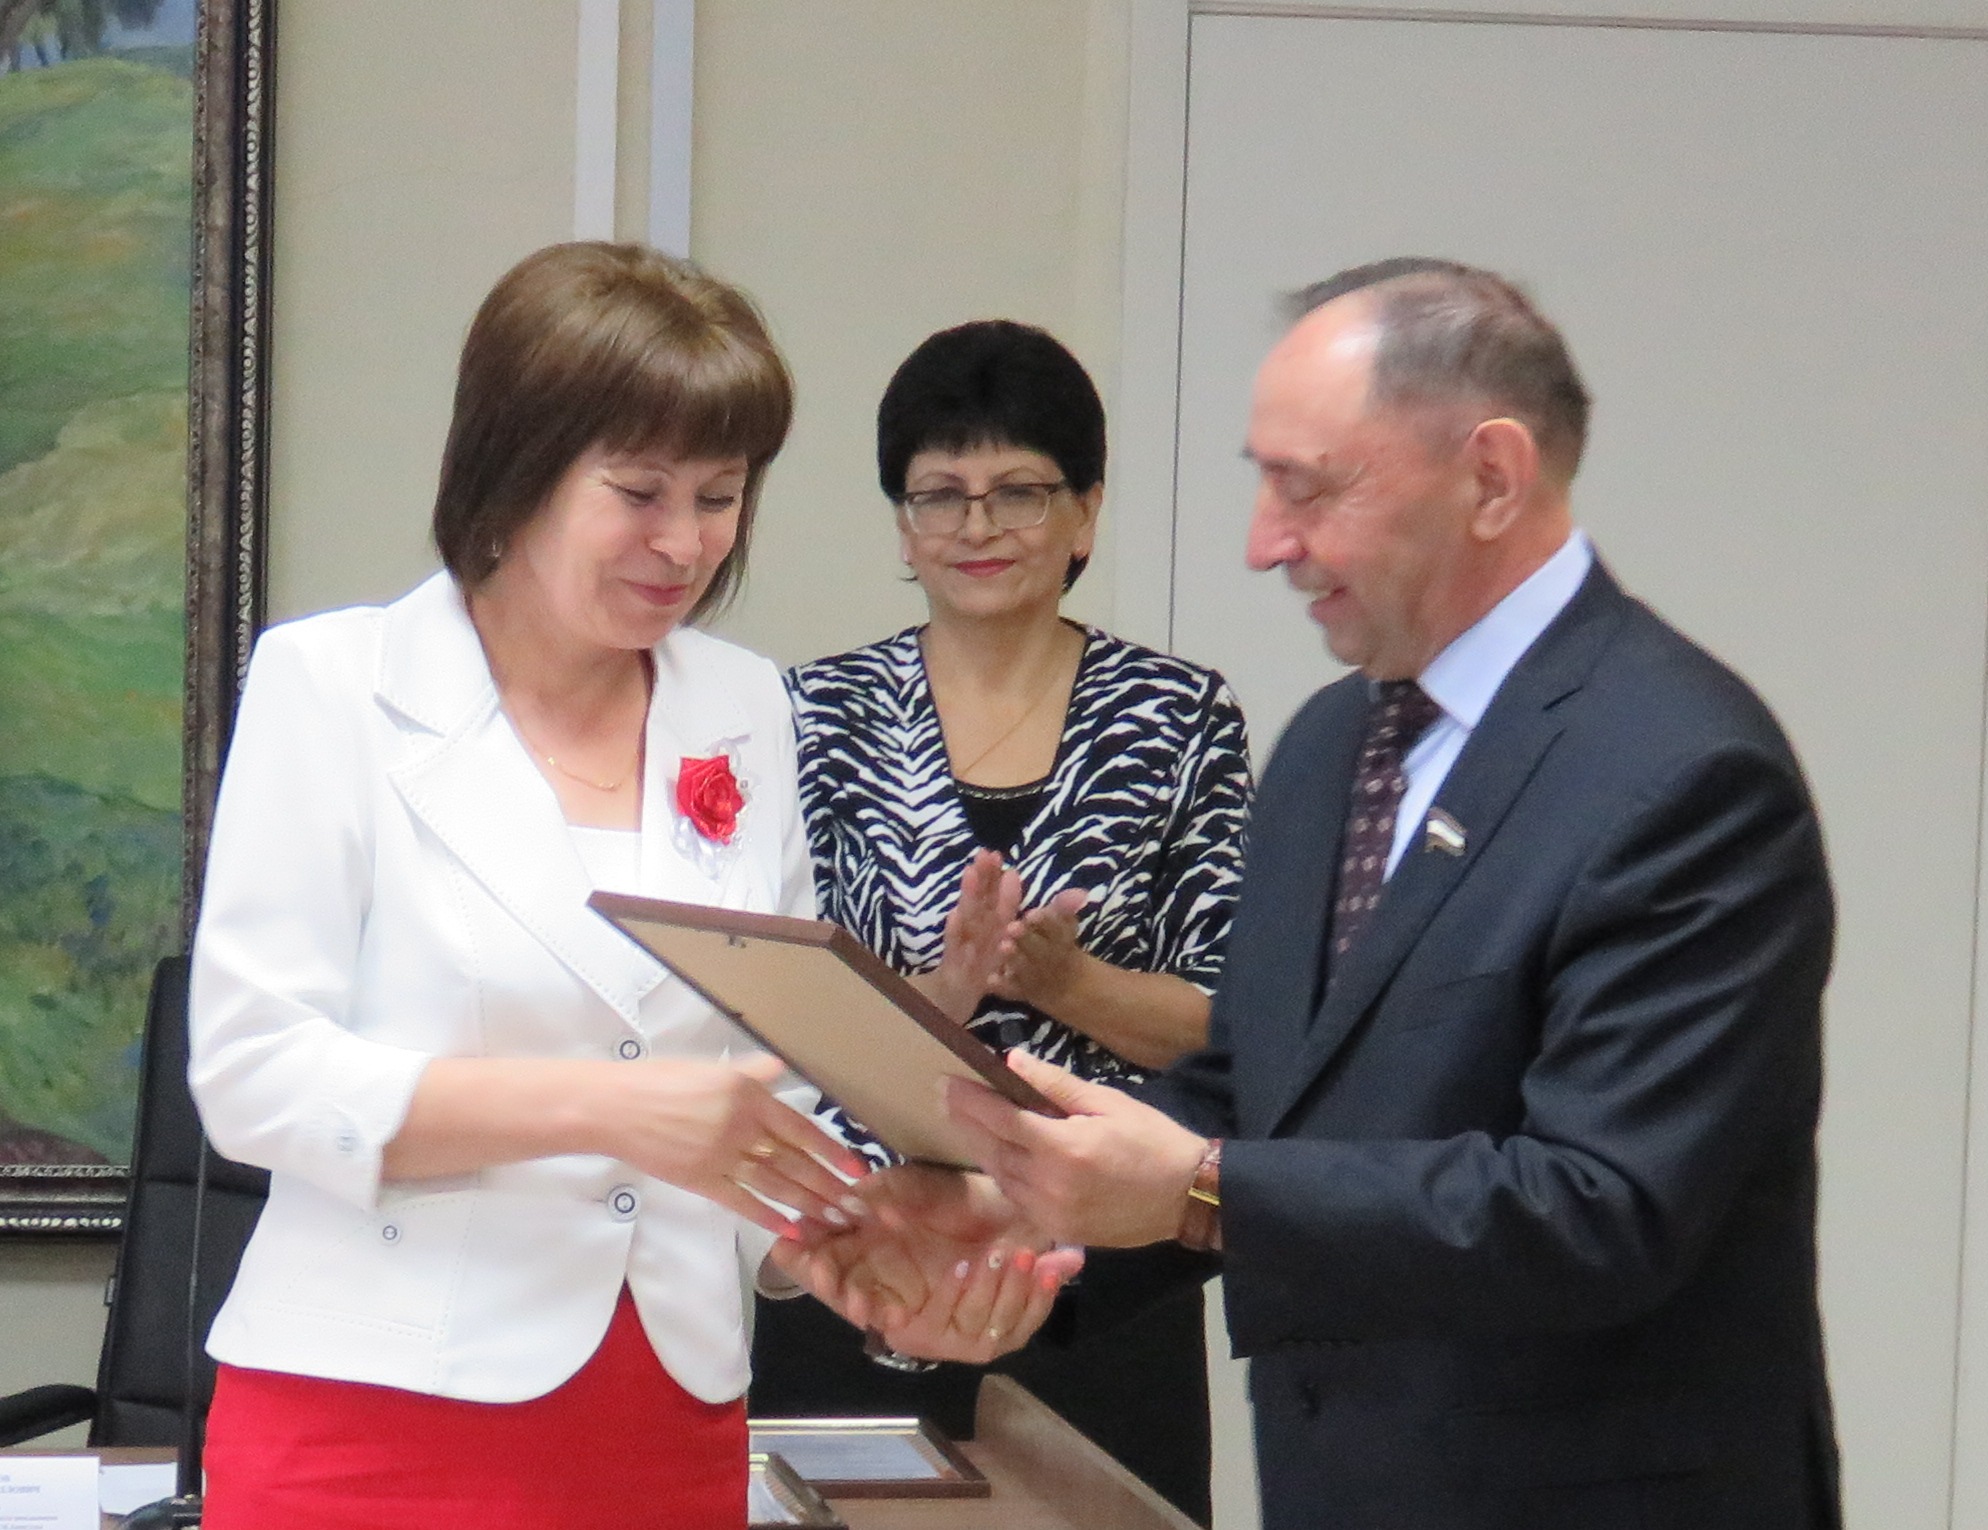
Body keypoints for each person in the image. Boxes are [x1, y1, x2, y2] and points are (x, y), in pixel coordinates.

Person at [935, 260, 1841, 1529]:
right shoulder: (1328, 747)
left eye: (1307, 487)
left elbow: (1600, 1209)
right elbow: (1253, 1095)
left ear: (1490, 477)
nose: (1263, 543)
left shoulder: (1683, 772)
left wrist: (1199, 1188)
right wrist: (1010, 1219)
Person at [186, 242, 1071, 1530]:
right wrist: (609, 1109)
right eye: (639, 493)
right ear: (515, 471)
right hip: (376, 1412)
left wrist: (844, 1242)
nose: (685, 544)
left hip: (666, 1419)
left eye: (720, 497)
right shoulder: (334, 687)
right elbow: (253, 1076)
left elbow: (756, 1082)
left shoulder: (741, 707)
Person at [750, 320, 1252, 1522]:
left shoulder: (1178, 715)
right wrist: (944, 991)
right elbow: (771, 1007)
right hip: (862, 1242)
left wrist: (1068, 987)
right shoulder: (810, 715)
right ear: (902, 523)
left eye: (1018, 491)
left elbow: (1234, 1026)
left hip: (1098, 1267)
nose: (977, 527)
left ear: (1085, 513)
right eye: (940, 494)